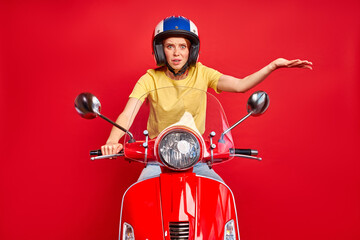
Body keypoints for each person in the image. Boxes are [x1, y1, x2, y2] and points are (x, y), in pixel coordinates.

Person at [101, 16, 312, 181]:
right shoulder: (149, 79)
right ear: (160, 50)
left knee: (221, 197)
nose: (176, 53)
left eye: (182, 46)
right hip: (157, 159)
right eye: (169, 46)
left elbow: (240, 85)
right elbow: (128, 113)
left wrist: (272, 66)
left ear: (191, 50)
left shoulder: (202, 73)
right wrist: (112, 141)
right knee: (140, 197)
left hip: (197, 158)